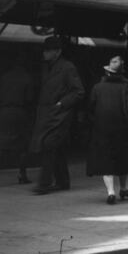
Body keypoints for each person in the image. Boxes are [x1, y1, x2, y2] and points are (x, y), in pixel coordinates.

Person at [30, 36, 85, 195]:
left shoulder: (68, 67)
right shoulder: (47, 67)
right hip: (48, 114)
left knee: (49, 145)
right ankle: (63, 182)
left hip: (60, 115)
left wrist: (61, 103)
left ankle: (44, 183)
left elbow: (79, 91)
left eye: (48, 51)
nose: (44, 53)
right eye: (44, 50)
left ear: (57, 52)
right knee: (55, 147)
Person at [86, 56, 128, 205]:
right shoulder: (126, 88)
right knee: (122, 159)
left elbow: (90, 109)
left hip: (102, 129)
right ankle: (123, 188)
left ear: (108, 73)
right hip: (122, 129)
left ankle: (110, 191)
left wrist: (95, 123)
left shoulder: (97, 88)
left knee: (106, 160)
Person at [0, 53, 35, 188]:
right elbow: (29, 99)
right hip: (19, 113)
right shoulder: (27, 78)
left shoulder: (4, 77)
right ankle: (22, 175)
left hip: (4, 113)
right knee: (23, 146)